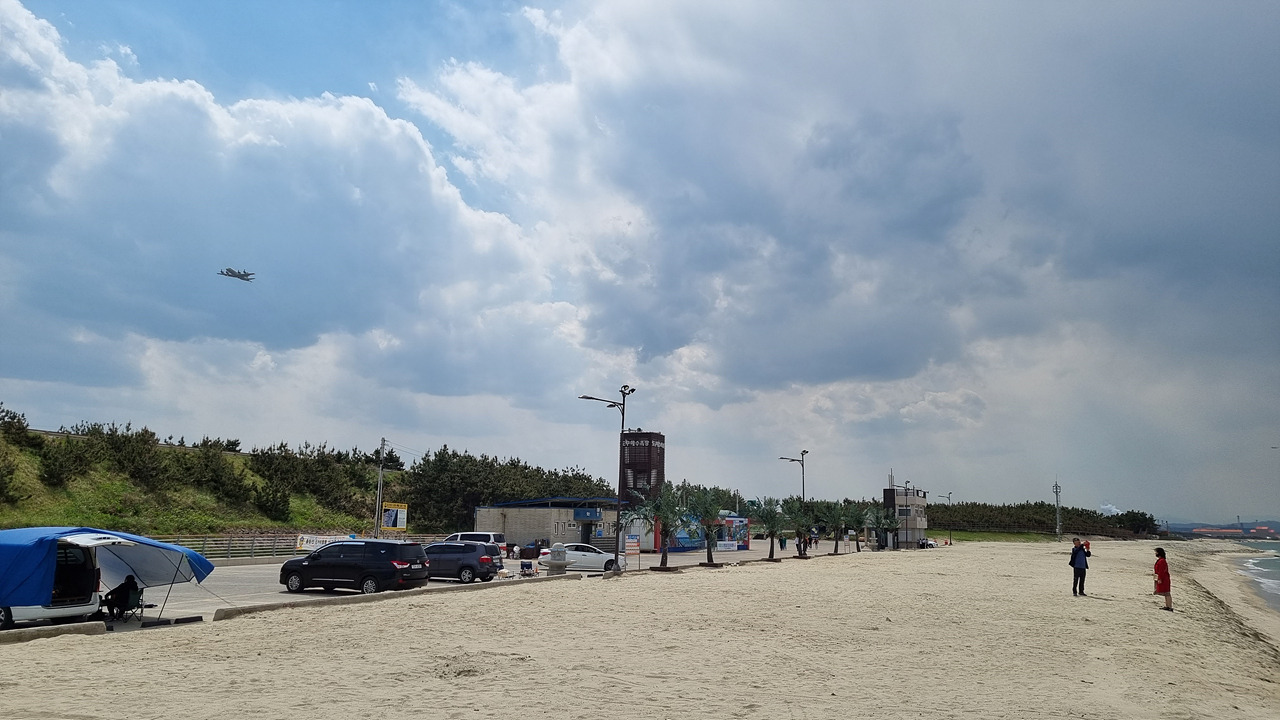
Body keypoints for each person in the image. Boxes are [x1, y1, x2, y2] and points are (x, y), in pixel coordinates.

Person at [1153, 547, 1172, 611]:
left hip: (1164, 578)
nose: (1155, 553)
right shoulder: (1160, 560)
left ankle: (1169, 607)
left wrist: (1160, 578)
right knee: (1165, 593)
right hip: (1161, 577)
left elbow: (1161, 571)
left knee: (1167, 593)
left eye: (1156, 552)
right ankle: (1167, 606)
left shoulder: (1162, 561)